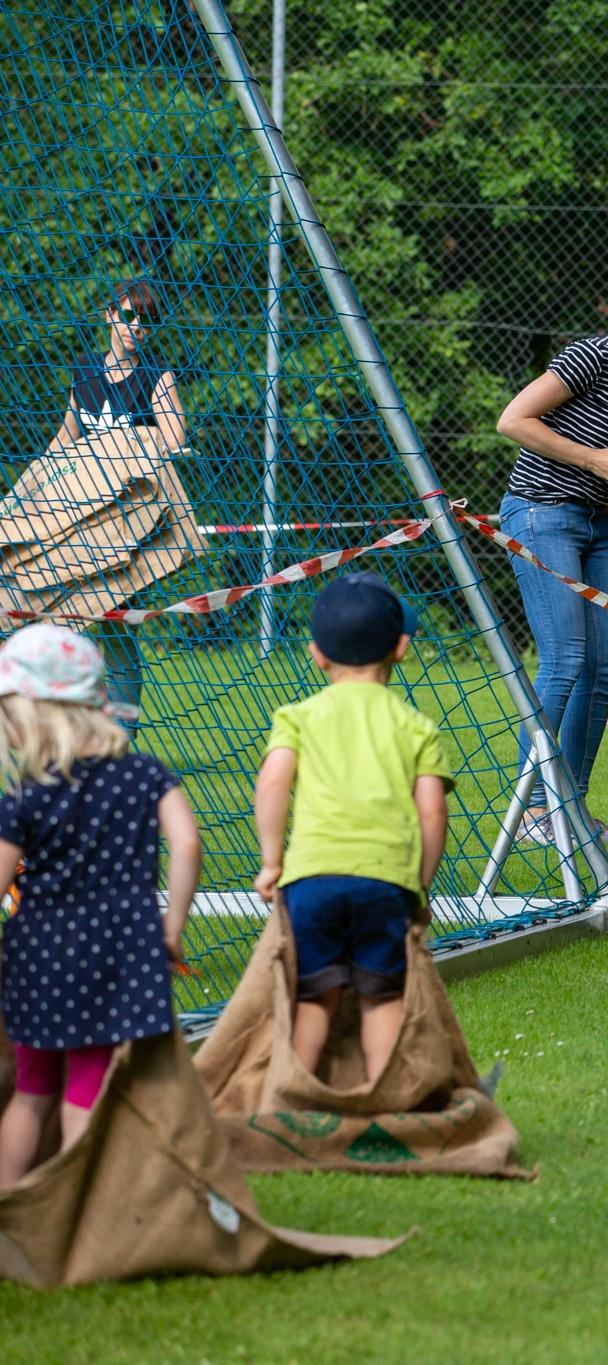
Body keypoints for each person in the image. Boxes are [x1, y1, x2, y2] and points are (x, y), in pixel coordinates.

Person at [0, 624, 201, 1186]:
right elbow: (186, 842)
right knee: (87, 1089)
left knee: (33, 1092)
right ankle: (77, 1210)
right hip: (121, 949)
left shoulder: (25, 795)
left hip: (40, 952)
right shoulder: (146, 774)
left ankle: (12, 1210)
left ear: (36, 712)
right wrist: (172, 926)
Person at [494, 261, 608, 843]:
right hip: (539, 511)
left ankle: (569, 811)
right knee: (566, 660)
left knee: (604, 667)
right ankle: (530, 813)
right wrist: (592, 458)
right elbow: (513, 420)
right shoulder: (589, 358)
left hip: (599, 525)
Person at [251, 573, 451, 1085]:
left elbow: (273, 784)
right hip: (387, 882)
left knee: (313, 998)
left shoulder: (296, 716)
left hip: (311, 880)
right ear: (401, 649)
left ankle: (294, 1101)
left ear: (316, 653)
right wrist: (420, 884)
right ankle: (379, 1105)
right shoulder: (419, 727)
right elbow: (432, 814)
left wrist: (273, 861)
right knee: (382, 1000)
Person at [39, 280, 189, 720]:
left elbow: (174, 437)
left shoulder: (156, 376)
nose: (136, 326)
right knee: (66, 632)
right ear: (109, 315)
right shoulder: (84, 370)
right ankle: (75, 736)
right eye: (128, 315)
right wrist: (33, 489)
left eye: (146, 320)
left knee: (116, 635)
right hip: (79, 520)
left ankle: (119, 739)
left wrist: (120, 450)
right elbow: (66, 435)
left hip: (125, 524)